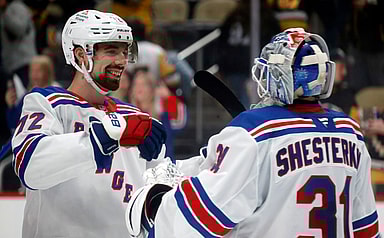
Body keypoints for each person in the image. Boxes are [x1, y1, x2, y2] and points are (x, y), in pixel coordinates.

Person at [126, 28, 379, 237]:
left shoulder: (253, 131)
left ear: (280, 75)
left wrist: (157, 209)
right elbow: (366, 229)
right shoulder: (350, 133)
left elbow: (201, 219)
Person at [11, 10, 166, 238]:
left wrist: (210, 162)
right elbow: (30, 167)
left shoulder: (134, 116)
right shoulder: (48, 103)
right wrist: (98, 140)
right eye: (112, 51)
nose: (122, 61)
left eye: (125, 52)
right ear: (81, 55)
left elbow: (161, 189)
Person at [130, 70, 187, 159]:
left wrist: (169, 98)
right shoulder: (128, 112)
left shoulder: (162, 114)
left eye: (144, 84)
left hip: (162, 165)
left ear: (152, 89)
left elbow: (179, 123)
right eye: (136, 84)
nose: (139, 88)